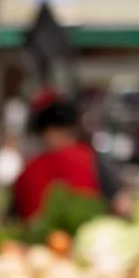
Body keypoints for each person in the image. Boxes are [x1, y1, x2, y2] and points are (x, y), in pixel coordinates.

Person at [12, 91, 101, 219]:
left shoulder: (28, 171)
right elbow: (121, 203)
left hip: (38, 239)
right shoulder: (92, 159)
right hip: (86, 236)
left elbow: (18, 215)